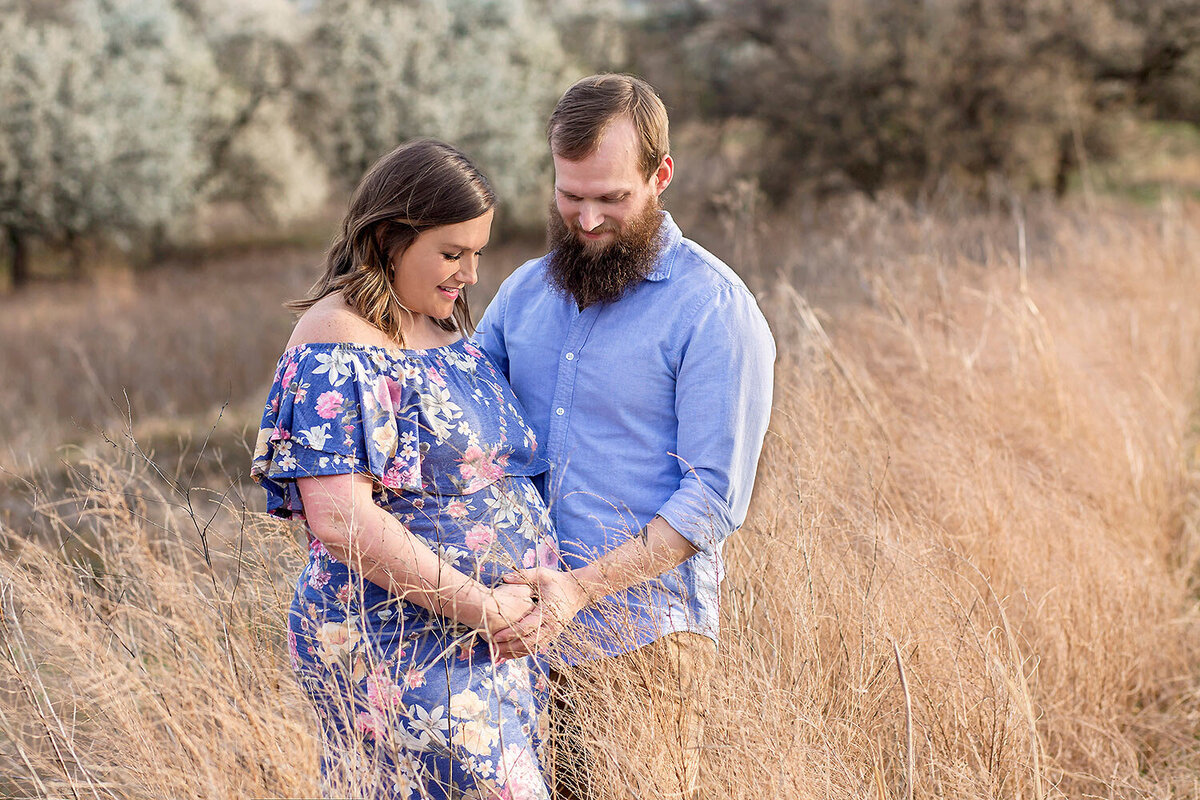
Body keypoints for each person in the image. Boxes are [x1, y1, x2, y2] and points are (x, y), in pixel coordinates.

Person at [476, 74, 776, 799]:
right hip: (513, 644)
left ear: (660, 175)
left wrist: (579, 590)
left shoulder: (714, 309)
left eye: (612, 198)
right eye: (570, 194)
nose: (585, 219)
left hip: (642, 643)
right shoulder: (522, 292)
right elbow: (462, 414)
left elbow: (711, 500)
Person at [250, 139, 559, 800]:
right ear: (390, 238)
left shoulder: (437, 325)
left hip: (480, 644)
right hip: (399, 641)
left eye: (478, 253)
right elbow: (340, 519)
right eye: (453, 254)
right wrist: (484, 607)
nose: (471, 275)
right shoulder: (339, 338)